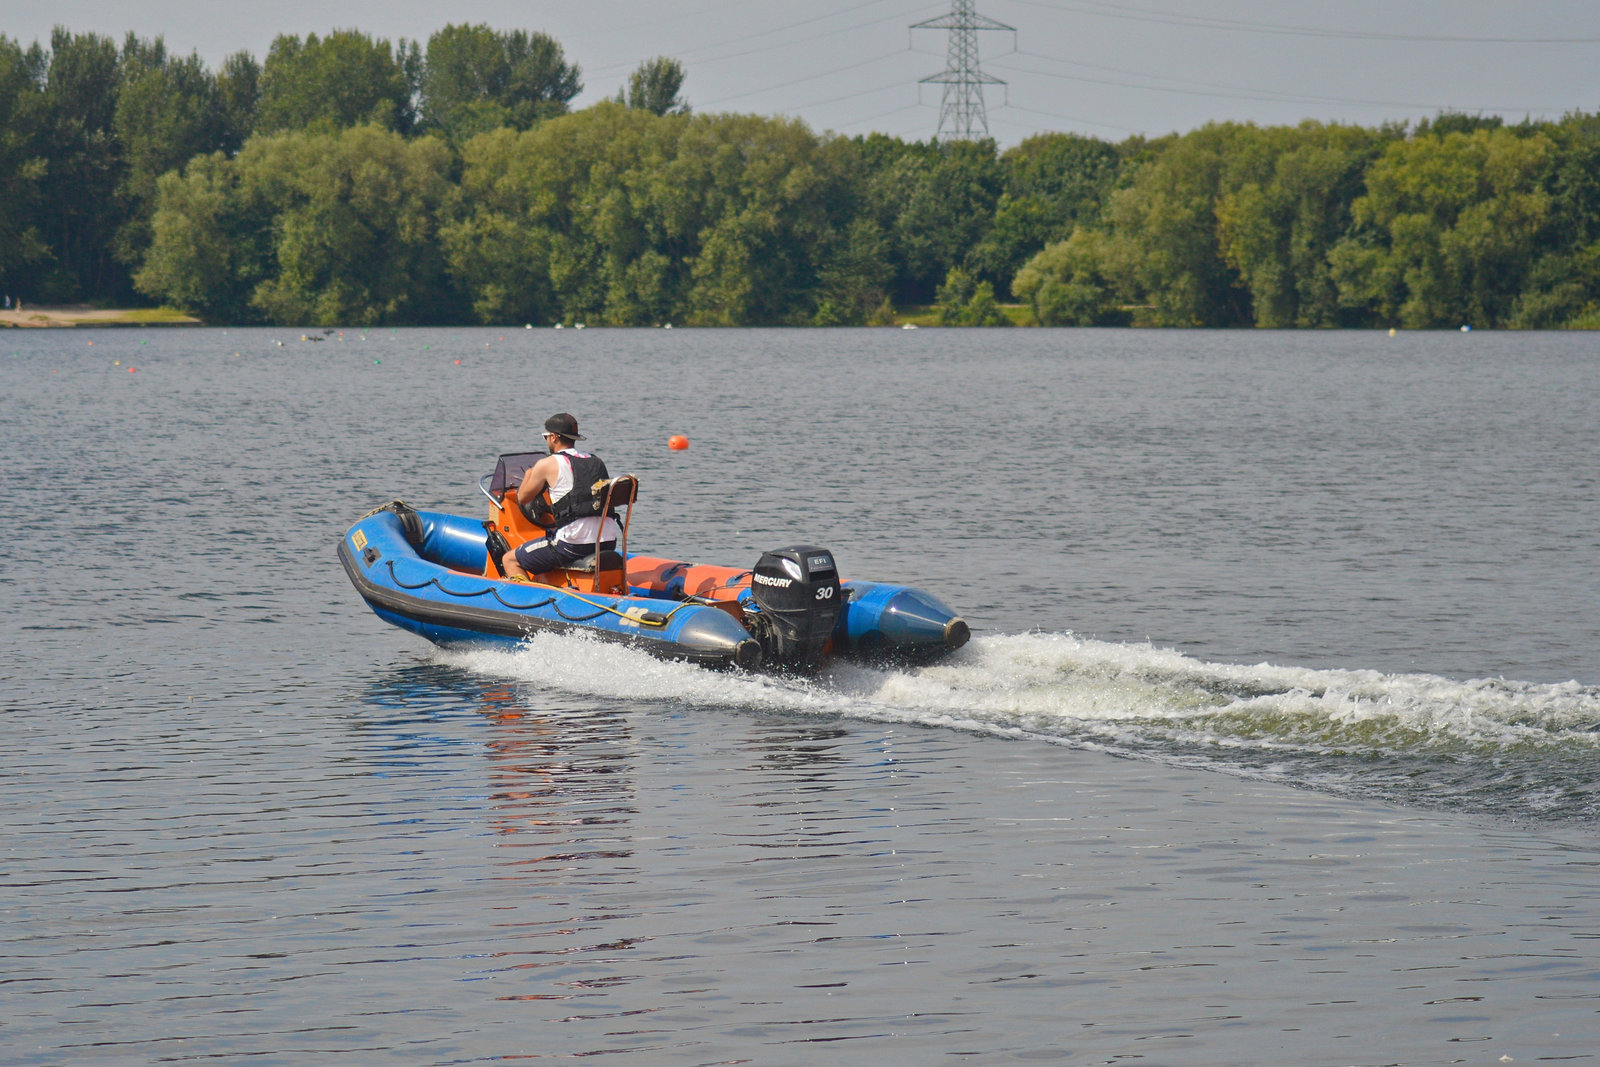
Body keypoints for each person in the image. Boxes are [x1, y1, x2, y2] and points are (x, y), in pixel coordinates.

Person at [501, 413, 623, 580]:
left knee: (510, 559)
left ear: (553, 437)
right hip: (607, 541)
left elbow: (523, 498)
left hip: (573, 545)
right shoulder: (596, 461)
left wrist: (530, 473)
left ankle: (528, 601)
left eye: (546, 437)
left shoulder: (547, 464)